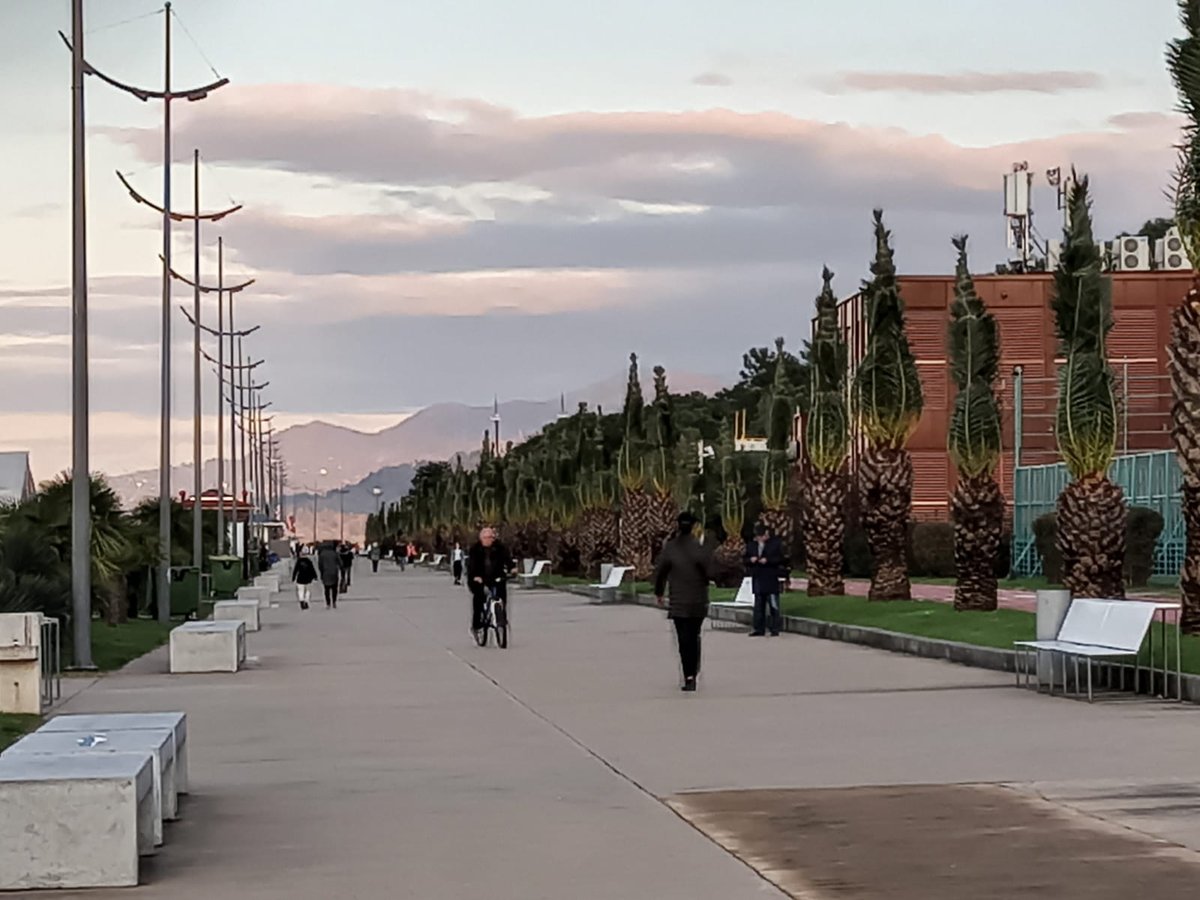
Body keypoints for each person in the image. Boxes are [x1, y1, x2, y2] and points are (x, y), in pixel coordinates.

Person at [654, 511, 714, 692]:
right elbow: (709, 571)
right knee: (694, 637)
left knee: (683, 639)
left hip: (679, 602)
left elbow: (660, 572)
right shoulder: (699, 548)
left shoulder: (670, 548)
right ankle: (693, 673)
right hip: (697, 600)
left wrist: (659, 592)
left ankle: (688, 675)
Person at [466, 527, 515, 638]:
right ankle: (477, 625)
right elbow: (471, 565)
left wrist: (512, 568)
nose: (488, 540)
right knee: (479, 597)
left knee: (501, 594)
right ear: (481, 538)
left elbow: (507, 559)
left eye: (490, 537)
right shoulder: (475, 549)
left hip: (496, 576)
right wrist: (475, 576)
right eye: (485, 537)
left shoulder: (500, 548)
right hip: (479, 578)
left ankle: (501, 619)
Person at [744, 523, 785, 637]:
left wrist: (768, 560)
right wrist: (750, 560)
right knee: (758, 606)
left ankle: (774, 628)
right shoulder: (752, 545)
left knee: (773, 605)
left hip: (770, 578)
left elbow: (780, 559)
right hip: (758, 578)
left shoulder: (774, 544)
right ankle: (759, 628)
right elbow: (745, 559)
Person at [317, 541, 341, 609]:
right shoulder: (334, 553)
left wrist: (321, 572)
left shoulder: (322, 554)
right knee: (334, 589)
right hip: (334, 573)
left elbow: (320, 565)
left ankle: (328, 603)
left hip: (325, 573)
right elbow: (340, 563)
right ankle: (334, 602)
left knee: (326, 589)